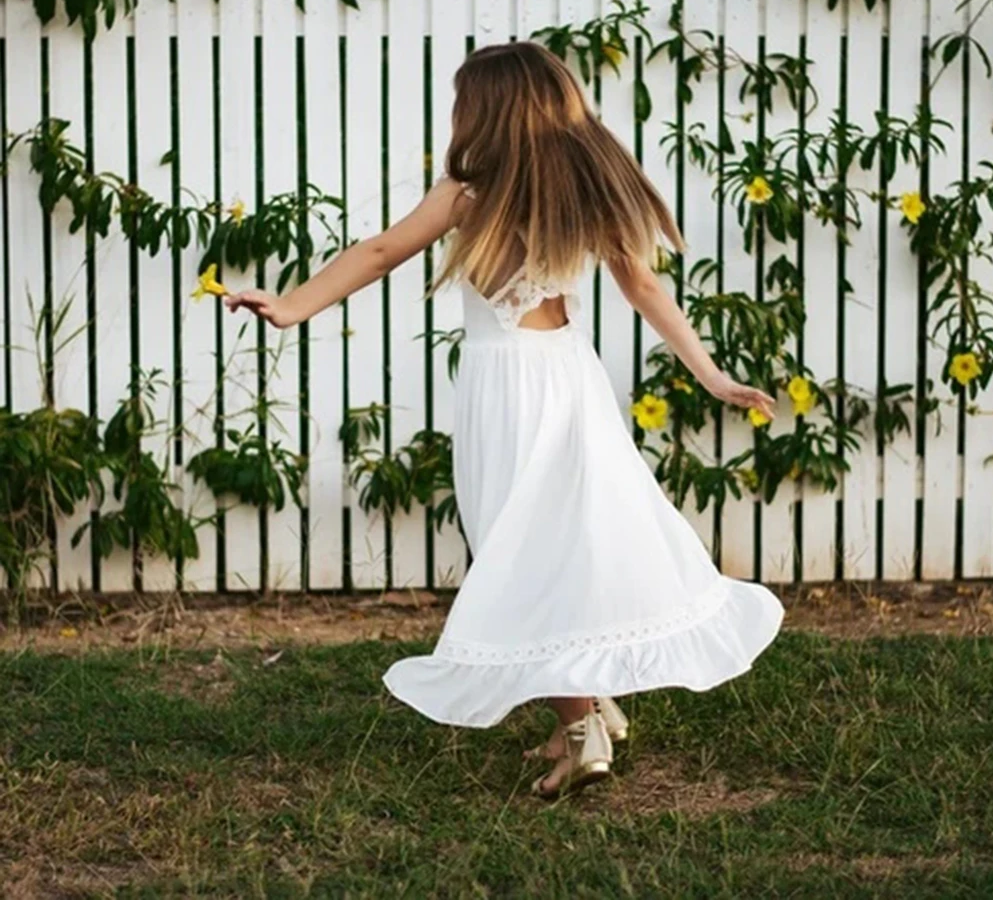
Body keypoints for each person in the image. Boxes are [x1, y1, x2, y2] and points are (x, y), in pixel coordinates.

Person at [226, 41, 784, 799]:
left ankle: (583, 731)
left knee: (524, 558)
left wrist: (291, 305)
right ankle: (583, 711)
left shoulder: (467, 192)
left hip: (507, 391)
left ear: (485, 110)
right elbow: (646, 290)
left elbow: (383, 249)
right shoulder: (579, 182)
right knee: (567, 547)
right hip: (571, 378)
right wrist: (713, 376)